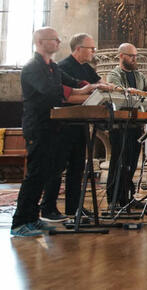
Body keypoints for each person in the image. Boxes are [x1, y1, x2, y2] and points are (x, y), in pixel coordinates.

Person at [11, 28, 102, 237]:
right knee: (35, 176)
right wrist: (80, 92)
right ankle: (19, 223)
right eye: (55, 40)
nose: (59, 42)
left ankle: (33, 218)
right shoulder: (33, 68)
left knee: (44, 174)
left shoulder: (52, 67)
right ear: (41, 42)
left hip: (52, 127)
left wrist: (90, 87)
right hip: (38, 127)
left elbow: (70, 82)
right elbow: (52, 92)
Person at [40, 33, 103, 221]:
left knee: (77, 168)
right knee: (57, 168)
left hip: (80, 124)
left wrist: (105, 89)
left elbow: (96, 84)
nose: (94, 51)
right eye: (91, 48)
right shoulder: (63, 66)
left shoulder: (86, 68)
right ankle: (48, 208)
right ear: (78, 49)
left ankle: (74, 207)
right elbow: (63, 95)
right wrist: (90, 95)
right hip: (62, 125)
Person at [106, 43, 147, 207]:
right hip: (120, 126)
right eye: (131, 56)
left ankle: (128, 197)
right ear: (121, 56)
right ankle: (114, 199)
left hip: (135, 125)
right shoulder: (114, 74)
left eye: (135, 56)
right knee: (119, 162)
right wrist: (141, 92)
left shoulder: (139, 75)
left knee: (131, 163)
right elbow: (119, 90)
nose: (134, 59)